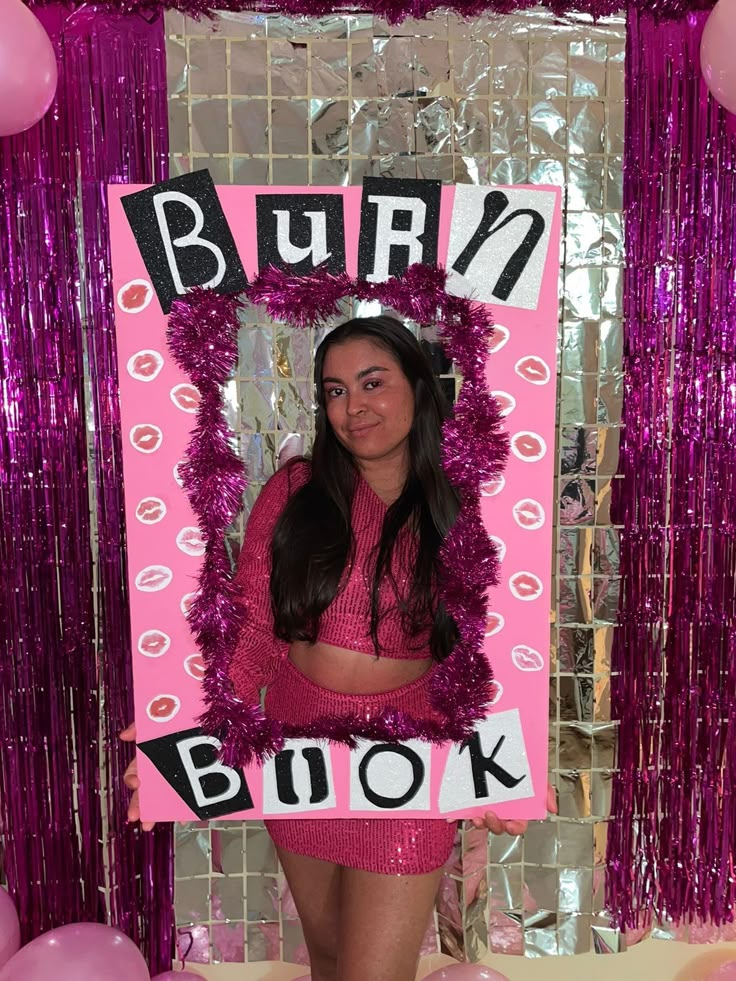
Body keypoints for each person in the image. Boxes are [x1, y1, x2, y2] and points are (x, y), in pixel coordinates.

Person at [121, 315, 557, 981]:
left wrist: (510, 760)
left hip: (409, 759)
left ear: (419, 383)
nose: (354, 406)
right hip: (301, 754)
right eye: (334, 390)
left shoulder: (472, 502)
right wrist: (179, 734)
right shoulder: (296, 490)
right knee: (329, 963)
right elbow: (254, 628)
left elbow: (496, 646)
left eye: (373, 382)